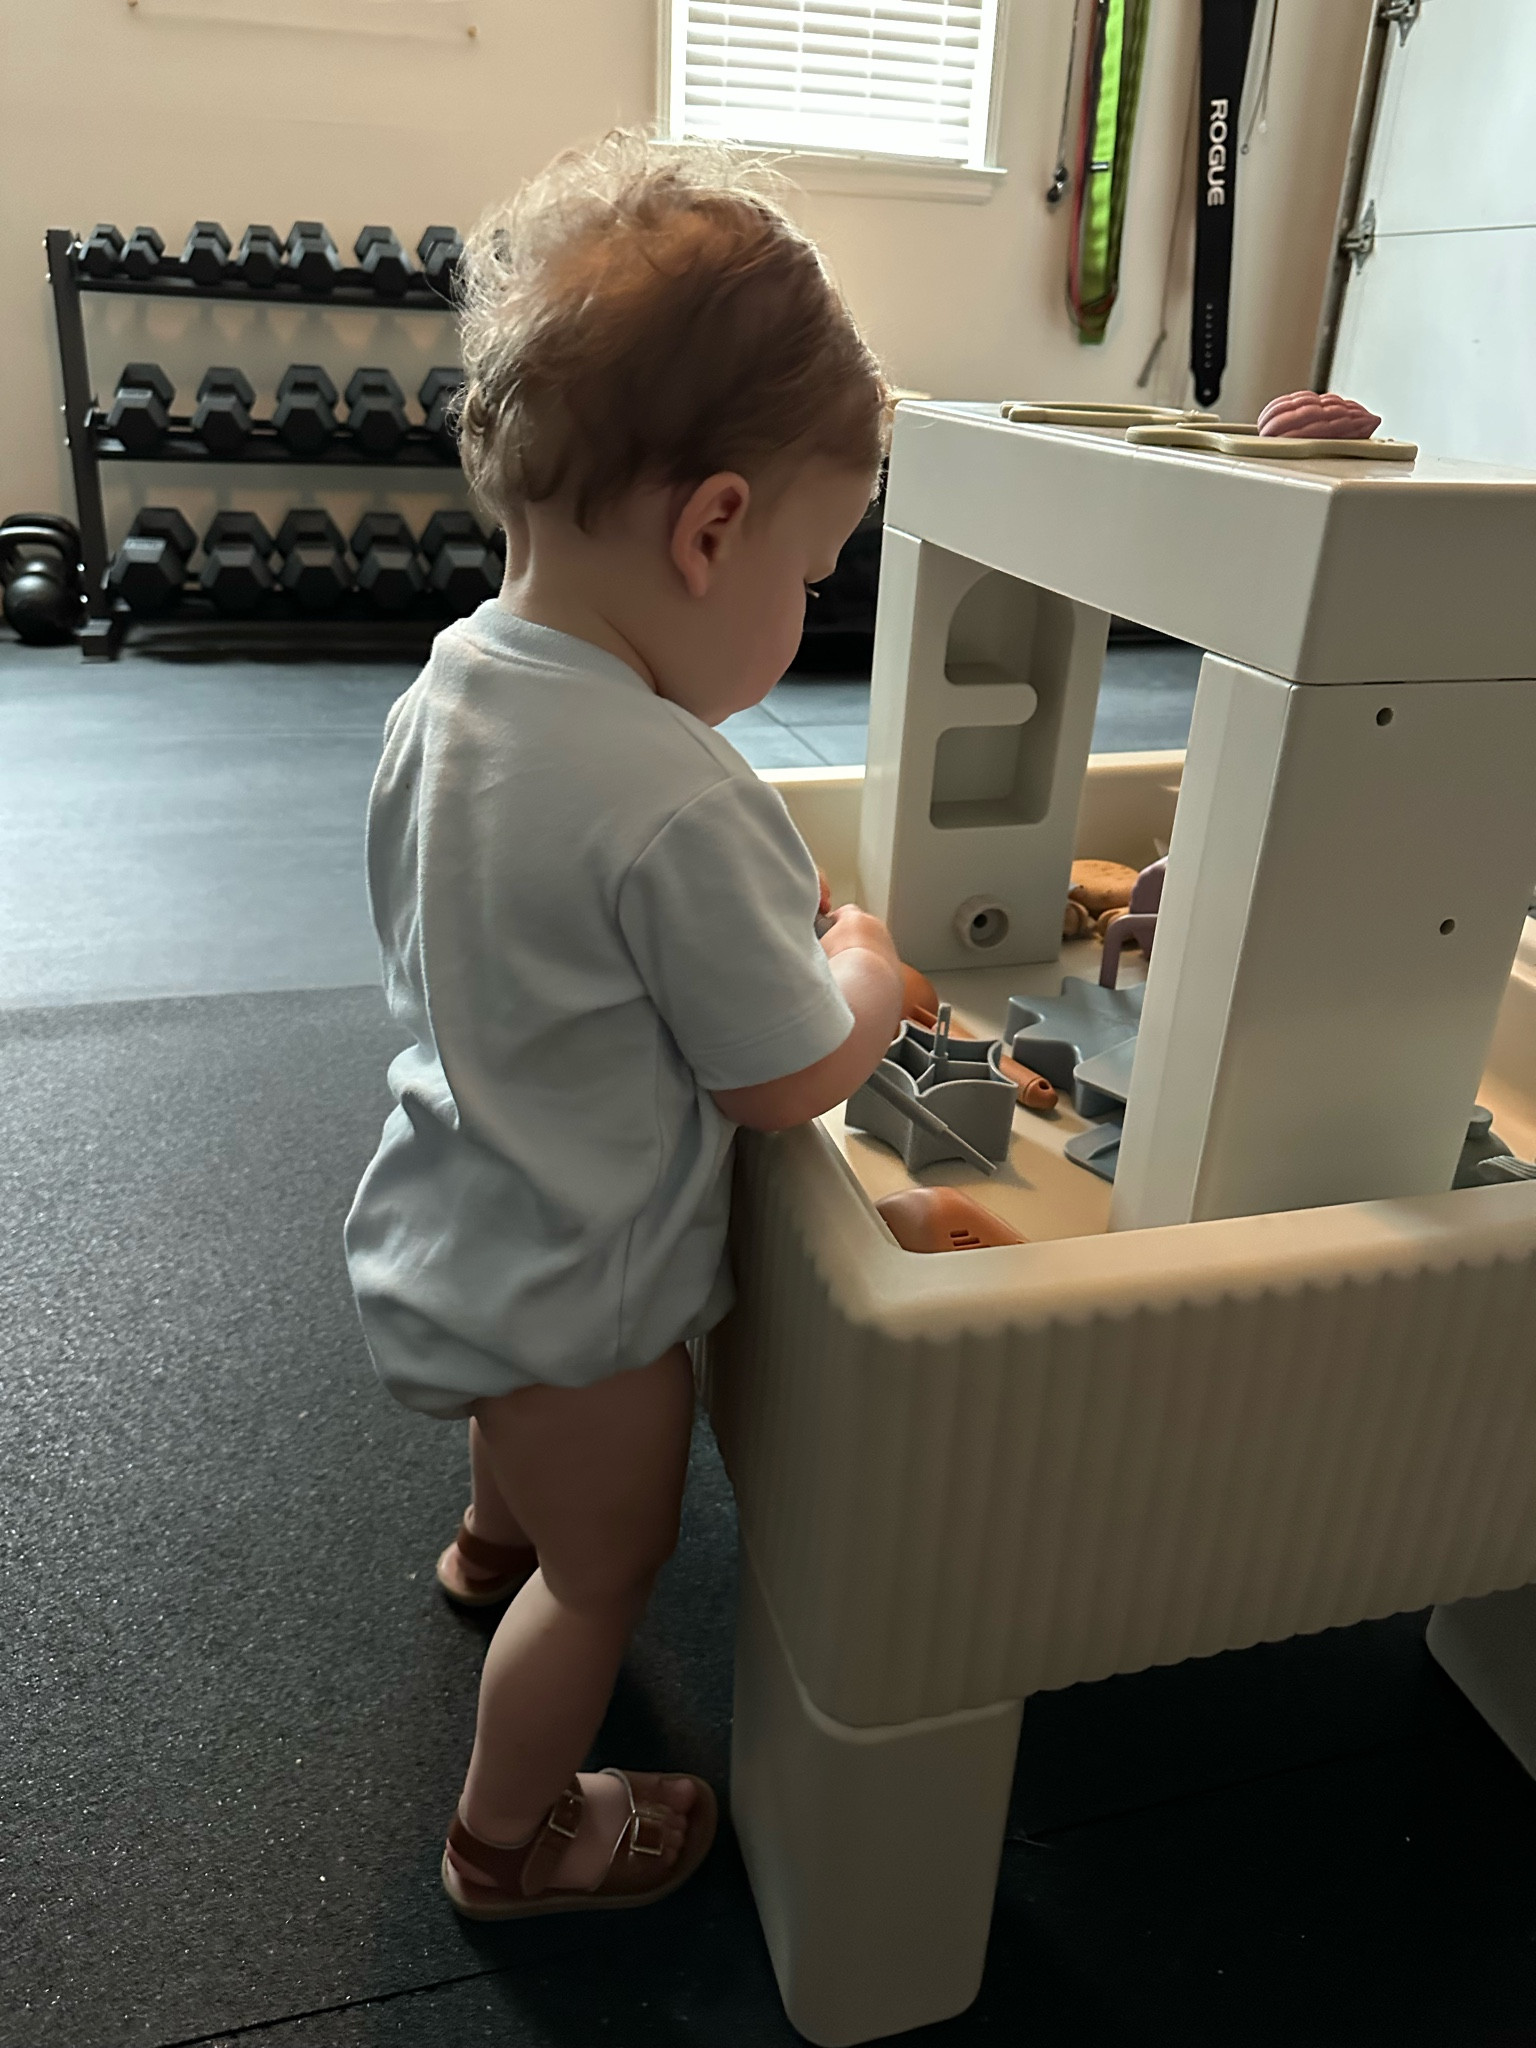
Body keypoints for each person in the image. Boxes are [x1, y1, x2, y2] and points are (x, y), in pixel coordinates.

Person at [343, 130, 904, 1921]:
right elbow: (782, 1072)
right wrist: (867, 977)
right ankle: (512, 1843)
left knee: (532, 1492)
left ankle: (486, 1531)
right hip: (580, 1299)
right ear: (712, 527)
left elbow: (505, 933)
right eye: (811, 575)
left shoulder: (452, 686)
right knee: (613, 1569)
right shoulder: (675, 793)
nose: (800, 617)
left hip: (450, 1211)